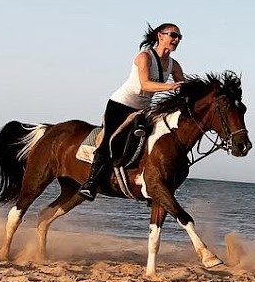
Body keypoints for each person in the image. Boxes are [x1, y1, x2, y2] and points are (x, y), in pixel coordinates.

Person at [78, 23, 186, 201]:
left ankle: (150, 182)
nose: (176, 40)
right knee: (111, 140)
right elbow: (146, 84)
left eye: (179, 37)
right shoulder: (144, 57)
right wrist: (172, 86)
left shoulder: (174, 65)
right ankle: (91, 183)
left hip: (143, 110)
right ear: (160, 36)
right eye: (173, 35)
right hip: (121, 104)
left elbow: (183, 88)